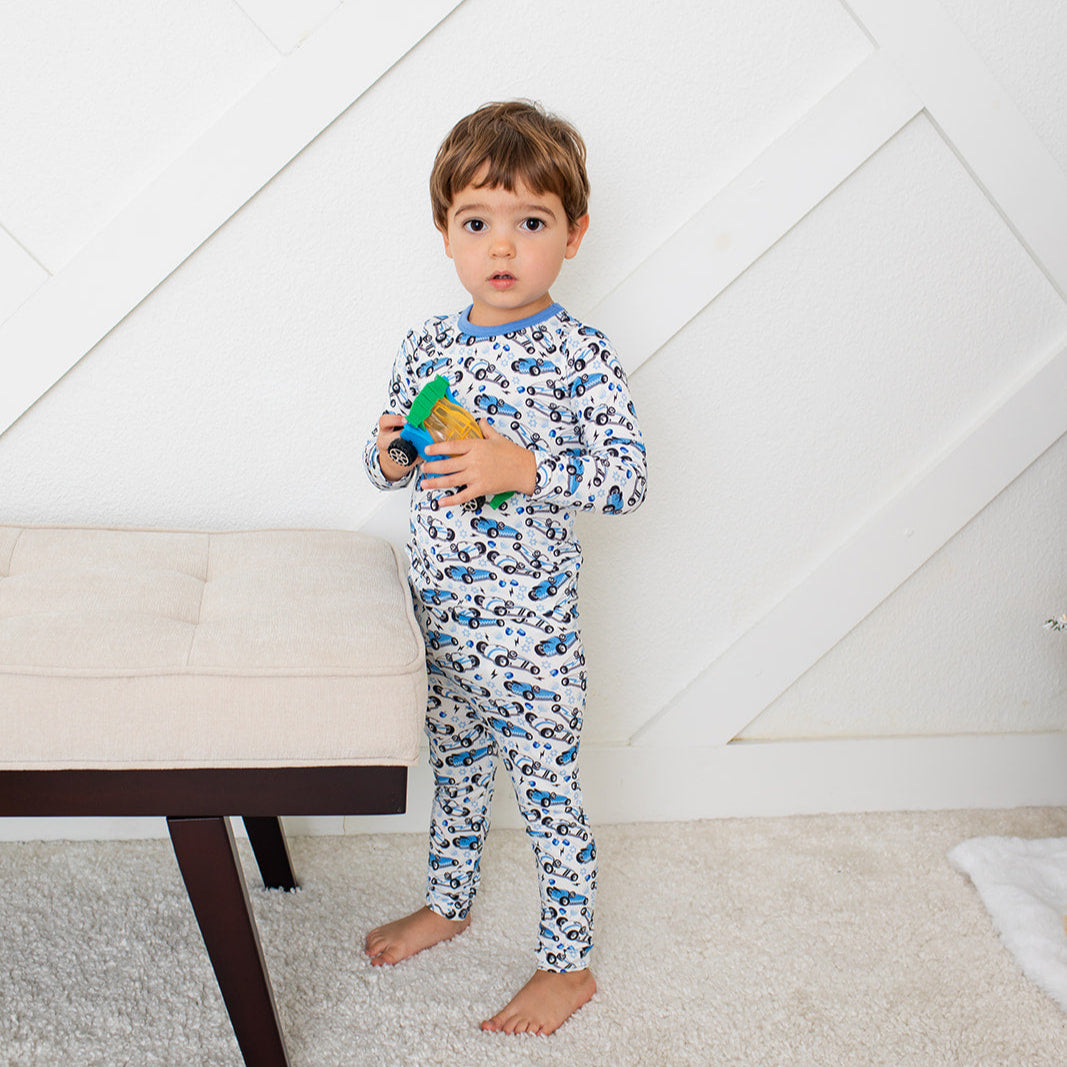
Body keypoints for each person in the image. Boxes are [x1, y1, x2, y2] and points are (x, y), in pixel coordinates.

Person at [362, 99, 646, 1036]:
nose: (502, 246)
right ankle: (448, 901)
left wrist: (520, 466)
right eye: (477, 221)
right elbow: (382, 457)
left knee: (549, 792)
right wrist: (393, 453)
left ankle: (567, 965)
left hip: (530, 634)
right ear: (444, 231)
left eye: (531, 223)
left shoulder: (579, 355)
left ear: (573, 234)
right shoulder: (427, 344)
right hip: (440, 617)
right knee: (457, 768)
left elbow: (626, 478)